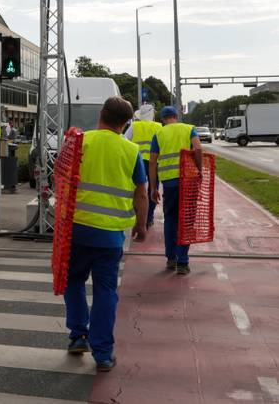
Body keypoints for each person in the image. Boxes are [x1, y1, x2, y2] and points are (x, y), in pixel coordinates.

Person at [65, 96, 148, 372]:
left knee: (74, 281)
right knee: (105, 292)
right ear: (126, 124)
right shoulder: (131, 150)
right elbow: (141, 193)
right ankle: (102, 354)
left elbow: (61, 179)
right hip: (111, 235)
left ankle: (78, 336)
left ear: (101, 114)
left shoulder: (79, 141)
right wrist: (141, 224)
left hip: (77, 229)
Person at [149, 106, 203, 275]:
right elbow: (198, 149)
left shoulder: (159, 134)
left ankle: (171, 259)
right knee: (186, 220)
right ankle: (183, 262)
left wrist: (153, 187)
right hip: (188, 181)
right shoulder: (189, 129)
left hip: (169, 184)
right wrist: (199, 169)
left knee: (170, 219)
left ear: (163, 119)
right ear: (176, 116)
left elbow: (152, 162)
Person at [124, 104, 162, 228]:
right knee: (153, 190)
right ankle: (149, 217)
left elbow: (125, 140)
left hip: (137, 161)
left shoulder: (134, 126)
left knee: (137, 191)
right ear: (152, 114)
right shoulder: (159, 127)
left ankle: (137, 216)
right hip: (154, 162)